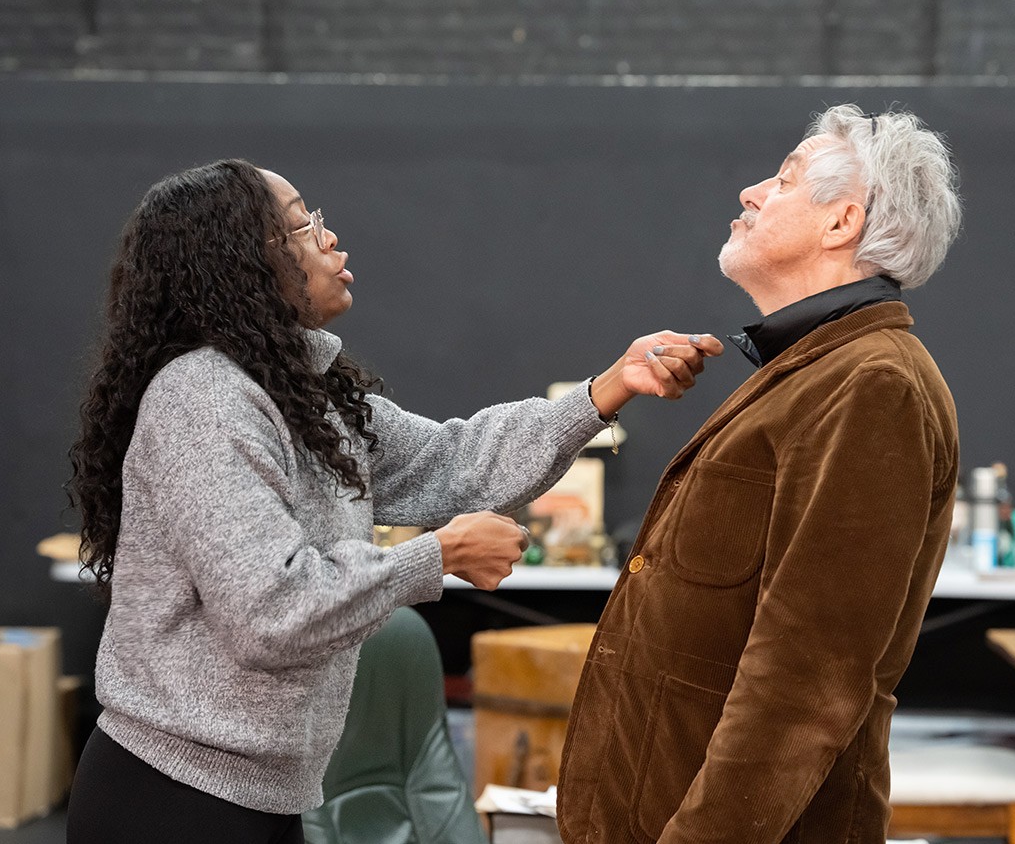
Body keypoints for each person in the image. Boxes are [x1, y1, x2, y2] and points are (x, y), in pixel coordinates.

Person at [64, 158, 724, 844]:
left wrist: (609, 388)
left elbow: (455, 461)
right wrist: (441, 555)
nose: (330, 239)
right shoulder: (203, 399)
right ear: (240, 261)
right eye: (302, 225)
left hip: (264, 797)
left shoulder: (307, 399)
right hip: (172, 799)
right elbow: (271, 611)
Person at [556, 104, 962, 843]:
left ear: (841, 222)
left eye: (782, 180)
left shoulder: (871, 385)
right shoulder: (819, 370)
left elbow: (807, 679)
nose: (750, 193)